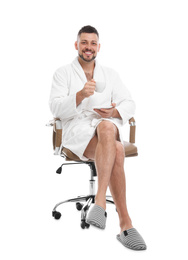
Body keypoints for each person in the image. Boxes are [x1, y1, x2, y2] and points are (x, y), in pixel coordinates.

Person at [49, 25, 147, 250]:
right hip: (77, 129)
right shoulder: (63, 73)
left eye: (93, 43)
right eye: (84, 42)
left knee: (106, 126)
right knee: (118, 149)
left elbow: (129, 102)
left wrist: (114, 112)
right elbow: (55, 108)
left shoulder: (110, 74)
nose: (88, 47)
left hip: (104, 126)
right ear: (76, 45)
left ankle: (100, 202)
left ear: (99, 47)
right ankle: (125, 224)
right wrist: (80, 95)